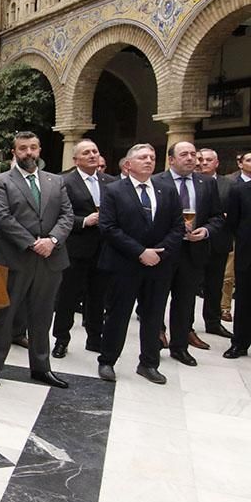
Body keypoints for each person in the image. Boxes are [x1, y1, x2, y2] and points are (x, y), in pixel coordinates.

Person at [0, 131, 73, 390]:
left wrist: (52, 241)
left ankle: (41, 367)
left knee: (43, 316)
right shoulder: (1, 182)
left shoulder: (55, 181)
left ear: (40, 149)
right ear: (14, 152)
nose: (29, 153)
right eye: (23, 149)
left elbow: (67, 215)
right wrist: (34, 243)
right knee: (5, 315)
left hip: (50, 260)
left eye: (33, 147)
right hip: (15, 258)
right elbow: (1, 217)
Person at [97, 143, 184, 384]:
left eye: (152, 157)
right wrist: (140, 252)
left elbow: (178, 227)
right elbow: (108, 228)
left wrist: (159, 253)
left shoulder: (167, 190)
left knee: (153, 315)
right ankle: (107, 361)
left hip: (159, 265)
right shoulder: (114, 190)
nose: (149, 161)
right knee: (118, 314)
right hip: (124, 264)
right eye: (143, 157)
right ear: (128, 164)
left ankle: (149, 363)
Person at [156, 141, 224, 364]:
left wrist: (205, 231)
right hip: (164, 250)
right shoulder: (157, 181)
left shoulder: (206, 183)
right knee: (155, 299)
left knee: (185, 301)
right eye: (183, 154)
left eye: (192, 154)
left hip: (193, 251)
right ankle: (153, 341)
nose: (190, 158)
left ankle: (180, 346)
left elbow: (216, 217)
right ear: (172, 159)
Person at [52, 139, 116, 358]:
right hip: (76, 248)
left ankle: (94, 337)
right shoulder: (64, 182)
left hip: (103, 249)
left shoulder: (110, 182)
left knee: (98, 296)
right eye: (86, 152)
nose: (92, 155)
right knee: (67, 297)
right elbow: (57, 215)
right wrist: (83, 221)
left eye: (95, 151)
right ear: (75, 159)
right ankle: (61, 339)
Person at [199, 148, 235, 339]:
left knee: (215, 286)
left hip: (219, 242)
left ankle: (213, 322)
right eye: (202, 160)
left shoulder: (229, 185)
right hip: (194, 243)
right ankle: (184, 326)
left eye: (209, 160)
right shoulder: (192, 183)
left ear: (217, 163)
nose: (204, 163)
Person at [224, 176, 251, 358]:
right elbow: (232, 223)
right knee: (244, 300)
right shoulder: (240, 190)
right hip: (248, 254)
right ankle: (240, 343)